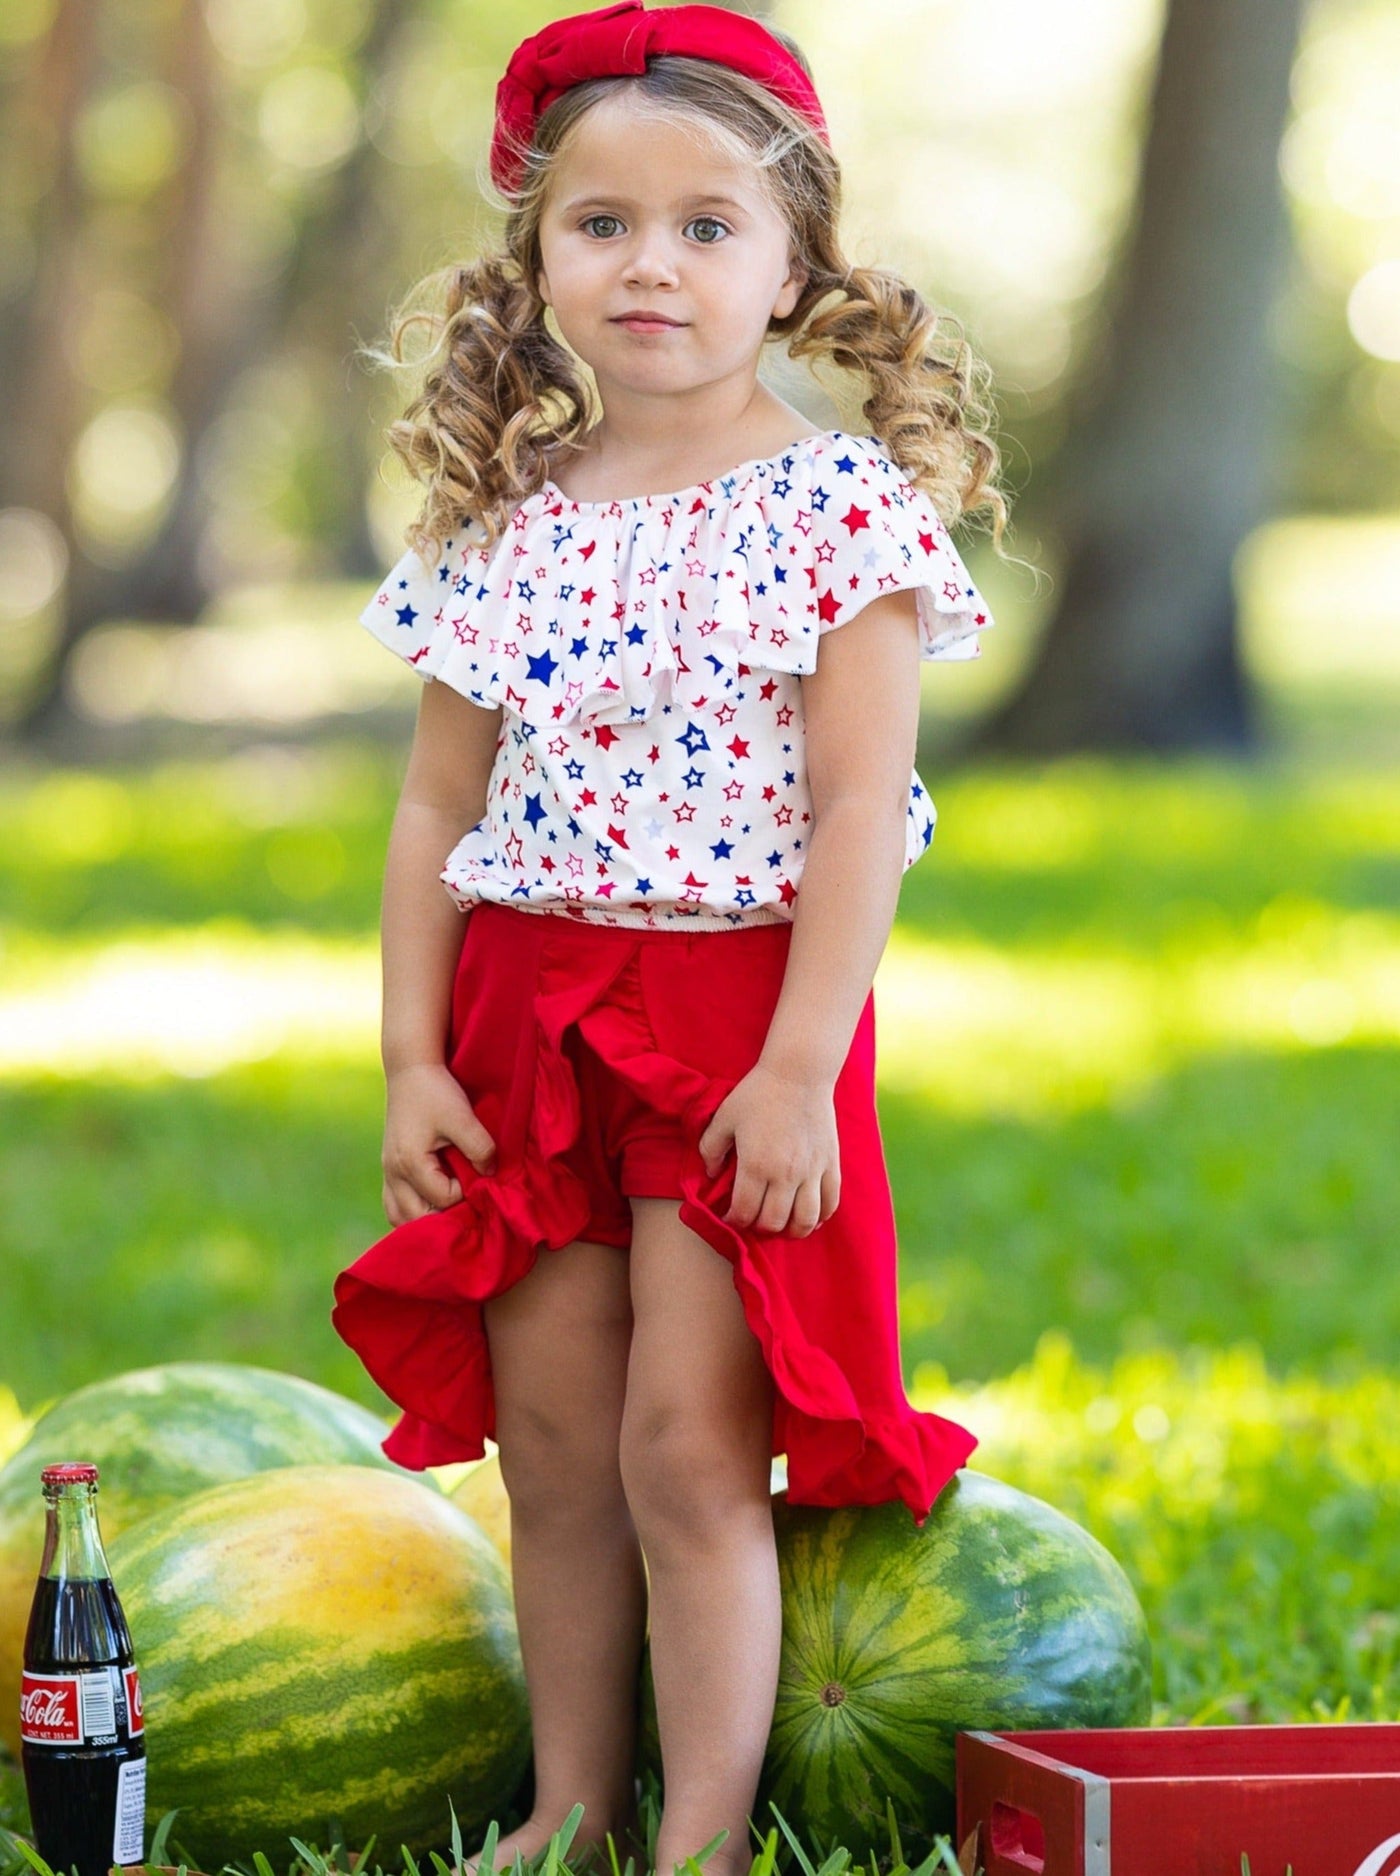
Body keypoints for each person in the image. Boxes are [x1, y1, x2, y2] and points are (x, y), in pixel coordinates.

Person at [332, 5, 1018, 1872]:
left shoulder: (841, 517)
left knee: (682, 1446)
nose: (653, 264)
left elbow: (866, 816)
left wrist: (801, 1069)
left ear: (797, 261)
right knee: (551, 1448)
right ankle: (569, 1806)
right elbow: (430, 810)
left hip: (740, 1018)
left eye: (710, 226)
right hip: (527, 1004)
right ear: (534, 256)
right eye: (604, 223)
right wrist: (411, 1051)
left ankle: (698, 1837)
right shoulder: (503, 522)